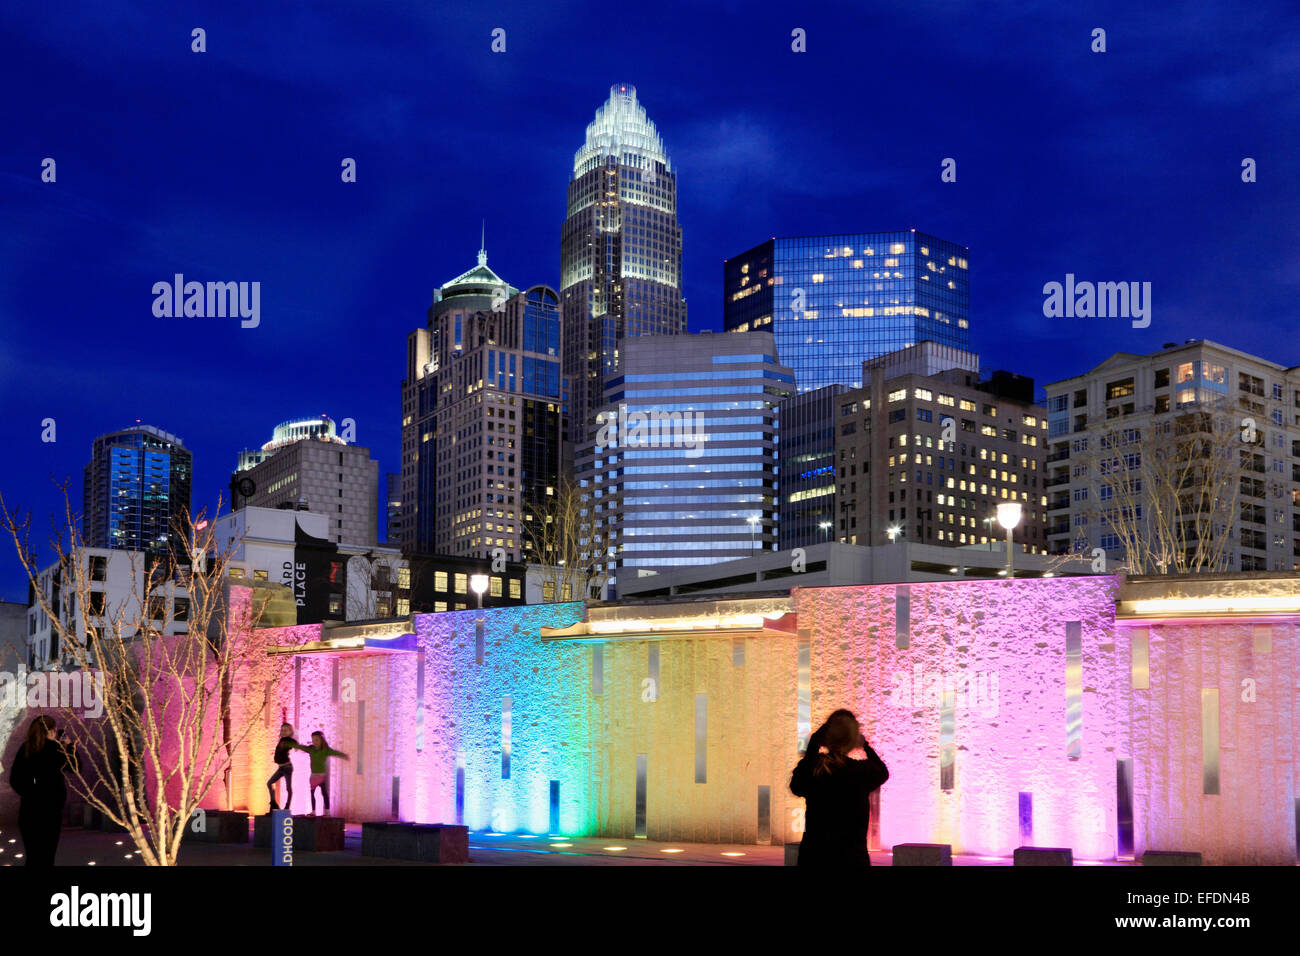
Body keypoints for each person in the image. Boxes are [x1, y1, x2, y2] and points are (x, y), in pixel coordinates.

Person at [789, 709, 889, 866]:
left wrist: (813, 745)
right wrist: (866, 746)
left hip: (815, 855)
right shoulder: (860, 772)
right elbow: (882, 772)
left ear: (825, 738)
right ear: (853, 740)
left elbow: (796, 786)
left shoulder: (814, 769)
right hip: (852, 856)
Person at [8, 715, 77, 867]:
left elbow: (15, 779)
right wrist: (70, 745)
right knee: (47, 856)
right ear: (52, 731)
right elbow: (75, 768)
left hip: (29, 810)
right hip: (51, 811)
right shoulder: (56, 749)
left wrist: (31, 794)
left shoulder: (26, 748)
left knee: (33, 856)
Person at [300, 731, 348, 816]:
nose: (314, 742)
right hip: (313, 776)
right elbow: (302, 747)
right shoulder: (311, 749)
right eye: (313, 740)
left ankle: (327, 811)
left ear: (321, 740)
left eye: (317, 740)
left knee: (324, 793)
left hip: (321, 776)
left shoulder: (326, 750)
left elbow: (335, 752)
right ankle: (313, 811)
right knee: (312, 793)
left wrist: (344, 755)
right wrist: (292, 744)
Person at [267, 723, 301, 811]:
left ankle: (287, 806)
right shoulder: (282, 740)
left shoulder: (289, 741)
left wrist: (297, 746)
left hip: (287, 767)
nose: (283, 732)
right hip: (281, 768)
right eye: (282, 730)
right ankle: (273, 803)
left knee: (288, 787)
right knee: (269, 783)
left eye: (286, 730)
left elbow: (295, 744)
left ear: (290, 731)